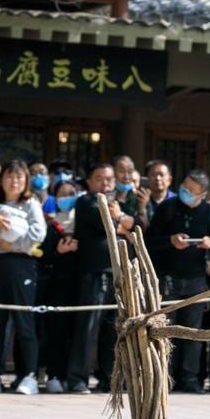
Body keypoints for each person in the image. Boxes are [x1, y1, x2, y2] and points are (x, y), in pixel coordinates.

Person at [0, 159, 47, 395]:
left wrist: (14, 246)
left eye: (19, 177)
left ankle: (29, 376)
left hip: (21, 266)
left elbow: (39, 233)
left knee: (24, 322)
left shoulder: (31, 203)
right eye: (9, 176)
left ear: (26, 181)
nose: (14, 182)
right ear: (1, 180)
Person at [145, 168, 210, 394]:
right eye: (184, 187)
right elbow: (149, 241)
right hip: (168, 278)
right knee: (165, 330)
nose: (185, 192)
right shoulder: (167, 207)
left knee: (192, 332)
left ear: (202, 194)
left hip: (196, 280)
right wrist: (171, 241)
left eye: (191, 190)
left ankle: (190, 379)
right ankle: (164, 377)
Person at [69, 163, 134, 394]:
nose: (105, 183)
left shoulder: (121, 204)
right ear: (89, 181)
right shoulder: (85, 202)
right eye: (99, 178)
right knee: (86, 328)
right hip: (94, 274)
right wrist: (121, 221)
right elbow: (108, 223)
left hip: (120, 275)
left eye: (109, 178)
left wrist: (122, 219)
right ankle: (77, 378)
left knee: (114, 329)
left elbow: (136, 225)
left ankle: (109, 378)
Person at [37, 178, 81, 392]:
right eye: (62, 194)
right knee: (56, 331)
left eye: (71, 193)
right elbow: (41, 254)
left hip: (80, 283)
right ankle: (54, 374)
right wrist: (58, 251)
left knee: (76, 332)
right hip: (55, 285)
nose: (67, 198)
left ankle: (73, 376)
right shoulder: (49, 224)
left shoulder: (84, 222)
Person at [137, 160, 175, 230]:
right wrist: (142, 207)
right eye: (154, 175)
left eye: (162, 175)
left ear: (169, 179)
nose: (158, 178)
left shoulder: (176, 200)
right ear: (147, 178)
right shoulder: (139, 199)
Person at [111, 155, 141, 220]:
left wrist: (142, 209)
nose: (126, 177)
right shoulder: (107, 196)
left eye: (130, 172)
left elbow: (144, 224)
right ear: (113, 172)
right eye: (122, 171)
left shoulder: (139, 198)